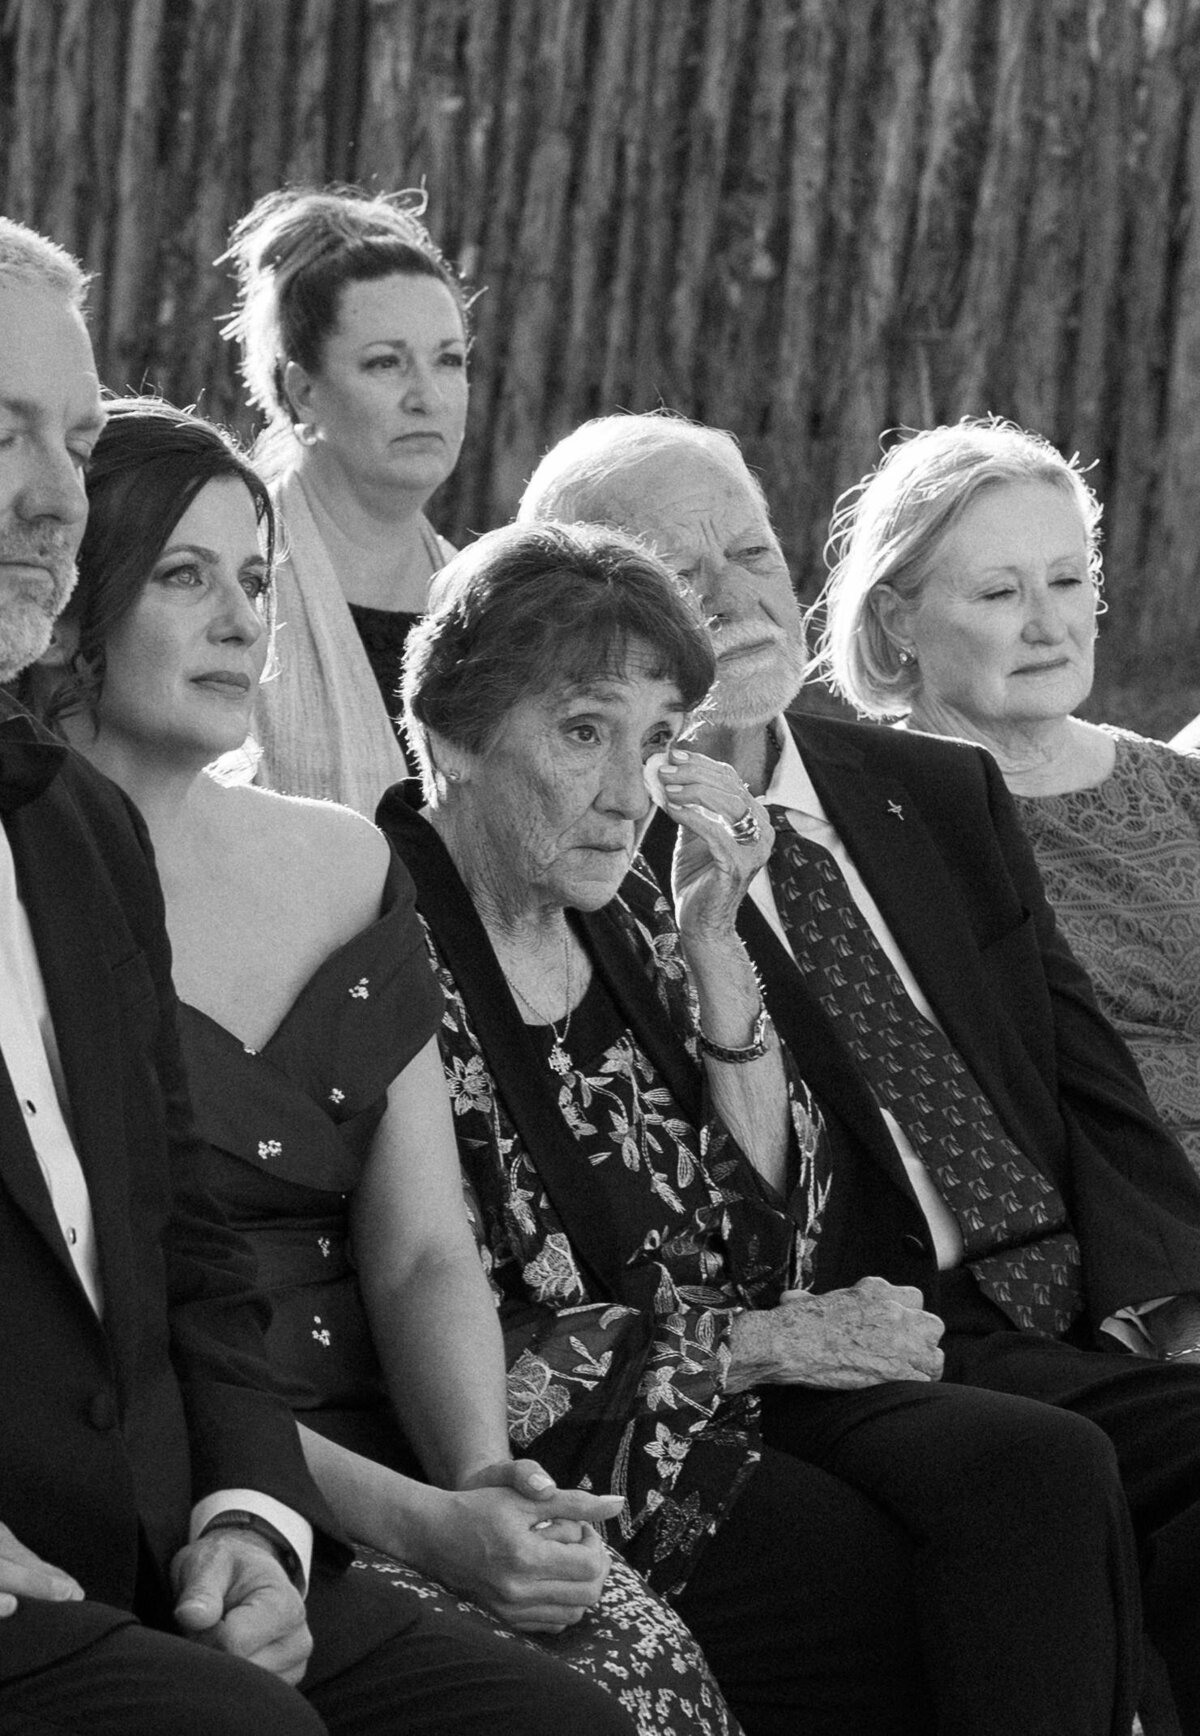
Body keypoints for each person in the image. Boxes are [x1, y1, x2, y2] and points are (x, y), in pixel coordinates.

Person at [0, 217, 641, 1736]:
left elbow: (187, 1255)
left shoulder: (65, 828)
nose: (49, 498)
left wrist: (246, 1519)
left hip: (178, 1511)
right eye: (0, 433)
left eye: (75, 442)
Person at [377, 517, 1144, 1736]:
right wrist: (763, 1349)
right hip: (583, 1426)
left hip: (738, 1367)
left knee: (1043, 1468)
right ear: (456, 734)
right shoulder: (388, 936)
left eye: (657, 742)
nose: (630, 796)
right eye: (584, 735)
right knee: (861, 1570)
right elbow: (449, 1304)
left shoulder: (626, 917)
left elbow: (778, 1239)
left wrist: (717, 957)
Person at [811, 416, 1200, 1170]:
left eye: (1066, 580)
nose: (1049, 625)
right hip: (1114, 1239)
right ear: (898, 619)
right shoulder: (865, 825)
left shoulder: (1182, 787)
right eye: (998, 594)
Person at [220, 185, 468, 812]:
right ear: (303, 392)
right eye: (386, 364)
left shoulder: (481, 596)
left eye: (449, 360)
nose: (427, 397)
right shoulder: (231, 582)